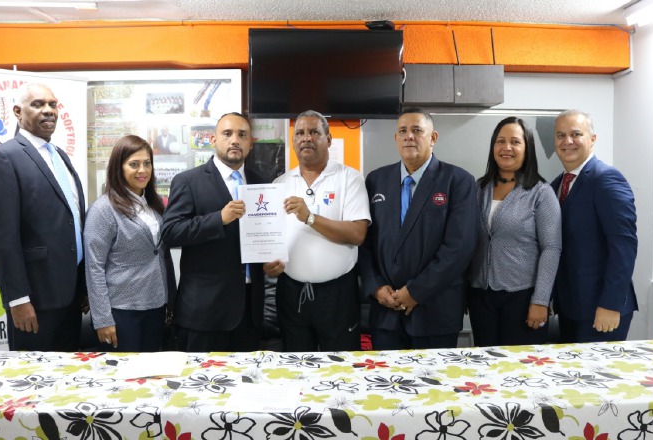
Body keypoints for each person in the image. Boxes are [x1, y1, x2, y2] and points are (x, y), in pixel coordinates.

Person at [359, 107, 479, 350]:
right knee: (387, 384)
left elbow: (459, 247)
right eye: (402, 131)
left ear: (433, 138)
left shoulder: (458, 181)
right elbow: (365, 242)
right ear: (395, 139)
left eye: (417, 130)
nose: (408, 136)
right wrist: (376, 287)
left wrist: (414, 291)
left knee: (436, 386)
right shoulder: (376, 180)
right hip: (386, 312)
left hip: (435, 311)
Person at [0, 83, 86, 351]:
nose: (48, 110)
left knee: (68, 378)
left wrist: (83, 285)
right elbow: (2, 239)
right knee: (33, 382)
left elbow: (72, 222)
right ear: (17, 111)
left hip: (71, 296)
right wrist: (17, 300)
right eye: (38, 104)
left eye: (52, 104)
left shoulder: (60, 156)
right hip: (35, 301)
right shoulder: (4, 158)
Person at [263, 110, 370, 352]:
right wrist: (268, 263)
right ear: (293, 142)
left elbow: (357, 234)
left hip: (338, 294)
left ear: (329, 139)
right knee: (296, 365)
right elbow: (270, 241)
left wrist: (310, 217)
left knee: (341, 366)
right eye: (299, 133)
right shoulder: (279, 184)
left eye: (314, 132)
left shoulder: (349, 178)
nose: (306, 138)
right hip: (291, 293)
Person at [161, 112, 265, 352]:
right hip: (204, 312)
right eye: (227, 134)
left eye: (242, 135)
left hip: (249, 310)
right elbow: (171, 232)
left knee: (245, 383)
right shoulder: (188, 181)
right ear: (213, 139)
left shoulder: (261, 181)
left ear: (251, 142)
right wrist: (219, 219)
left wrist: (270, 261)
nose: (235, 140)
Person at [467, 117, 562, 346]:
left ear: (526, 148)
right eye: (500, 141)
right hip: (481, 295)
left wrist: (540, 301)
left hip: (523, 297)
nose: (506, 147)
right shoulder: (478, 188)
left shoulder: (541, 192)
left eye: (515, 142)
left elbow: (551, 248)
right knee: (485, 365)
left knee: (519, 372)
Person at [551, 109, 638, 343]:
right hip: (570, 306)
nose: (567, 141)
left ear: (592, 139)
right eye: (560, 135)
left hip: (601, 309)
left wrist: (610, 304)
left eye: (576, 134)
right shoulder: (557, 184)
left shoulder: (606, 178)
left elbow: (624, 246)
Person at [83, 135, 176, 352]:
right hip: (121, 311)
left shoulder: (153, 205)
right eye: (134, 164)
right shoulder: (103, 210)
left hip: (155, 306)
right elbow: (93, 267)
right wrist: (103, 319)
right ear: (119, 167)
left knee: (151, 374)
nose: (142, 170)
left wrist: (170, 300)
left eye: (147, 163)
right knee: (123, 378)